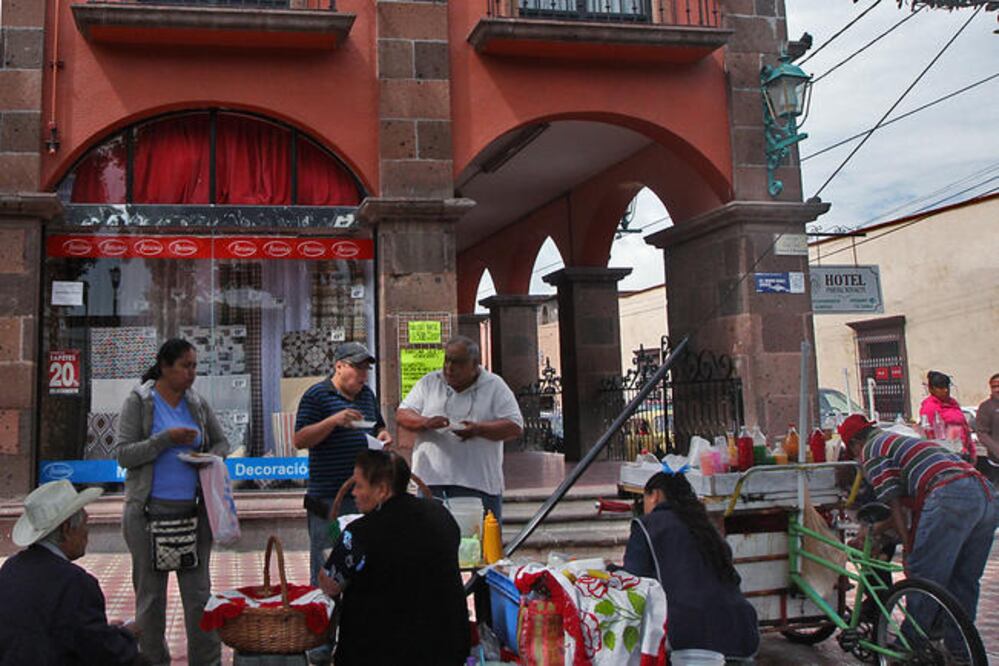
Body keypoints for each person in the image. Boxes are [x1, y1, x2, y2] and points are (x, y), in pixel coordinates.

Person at [838, 413, 998, 649]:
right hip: (984, 495)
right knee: (964, 582)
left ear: (853, 444)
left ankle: (910, 646)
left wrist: (907, 547)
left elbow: (896, 509)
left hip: (949, 494)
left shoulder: (870, 451)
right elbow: (902, 511)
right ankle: (961, 652)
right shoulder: (898, 440)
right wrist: (876, 531)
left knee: (923, 577)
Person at [117, 338, 230, 666]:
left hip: (193, 513)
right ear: (165, 367)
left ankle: (207, 662)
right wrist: (165, 440)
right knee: (151, 601)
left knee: (198, 598)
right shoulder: (140, 402)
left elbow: (222, 441)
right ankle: (153, 661)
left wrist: (209, 457)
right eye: (185, 366)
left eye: (195, 366)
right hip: (147, 513)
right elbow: (124, 454)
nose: (191, 373)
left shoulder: (196, 402)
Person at [316, 450, 470, 666]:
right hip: (447, 648)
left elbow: (330, 585)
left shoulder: (359, 533)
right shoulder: (440, 514)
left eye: (359, 485)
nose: (354, 493)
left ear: (382, 490)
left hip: (379, 652)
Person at [0, 480, 148, 666]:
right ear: (66, 530)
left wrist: (108, 632)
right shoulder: (77, 583)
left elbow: (63, 630)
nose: (87, 534)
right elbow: (102, 652)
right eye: (84, 525)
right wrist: (127, 635)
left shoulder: (11, 568)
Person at [621, 468, 759, 659]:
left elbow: (632, 581)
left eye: (644, 498)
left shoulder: (647, 526)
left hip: (686, 639)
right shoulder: (705, 526)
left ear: (655, 495)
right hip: (740, 631)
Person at [293, 341, 392, 586]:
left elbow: (378, 424)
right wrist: (333, 421)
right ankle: (326, 618)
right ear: (338, 366)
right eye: (357, 368)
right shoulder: (317, 396)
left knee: (364, 564)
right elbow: (299, 439)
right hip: (328, 500)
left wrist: (383, 434)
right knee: (329, 564)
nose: (362, 375)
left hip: (364, 498)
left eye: (366, 369)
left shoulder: (367, 395)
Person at [396, 335, 523, 521]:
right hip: (432, 483)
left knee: (478, 544)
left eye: (458, 362)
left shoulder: (495, 386)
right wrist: (425, 422)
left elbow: (514, 426)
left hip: (479, 485)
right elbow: (402, 413)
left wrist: (478, 429)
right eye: (447, 359)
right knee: (432, 544)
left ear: (475, 364)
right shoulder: (430, 382)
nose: (449, 367)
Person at [919, 370, 973, 459]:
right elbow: (930, 434)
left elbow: (964, 427)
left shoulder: (952, 403)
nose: (946, 390)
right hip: (947, 454)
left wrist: (971, 450)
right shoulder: (930, 407)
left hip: (963, 451)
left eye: (947, 386)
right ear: (931, 389)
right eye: (941, 387)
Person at [973, 373, 999, 484]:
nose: (997, 389)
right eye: (994, 387)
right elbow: (982, 433)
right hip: (996, 465)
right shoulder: (986, 407)